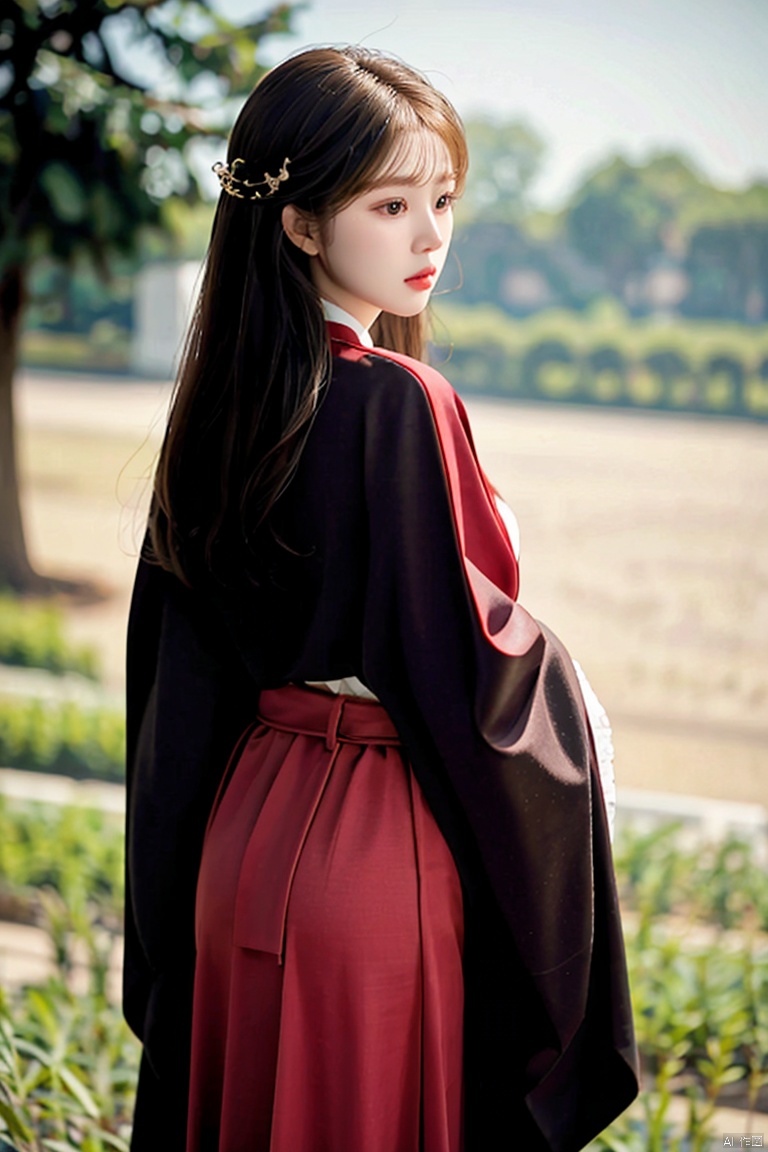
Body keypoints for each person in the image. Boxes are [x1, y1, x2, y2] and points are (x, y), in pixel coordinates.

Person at [124, 45, 638, 1152]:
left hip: (241, 832)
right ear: (301, 223)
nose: (429, 236)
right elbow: (462, 657)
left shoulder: (218, 403)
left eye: (442, 200)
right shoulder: (397, 398)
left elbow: (178, 670)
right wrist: (570, 695)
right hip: (372, 849)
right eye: (390, 202)